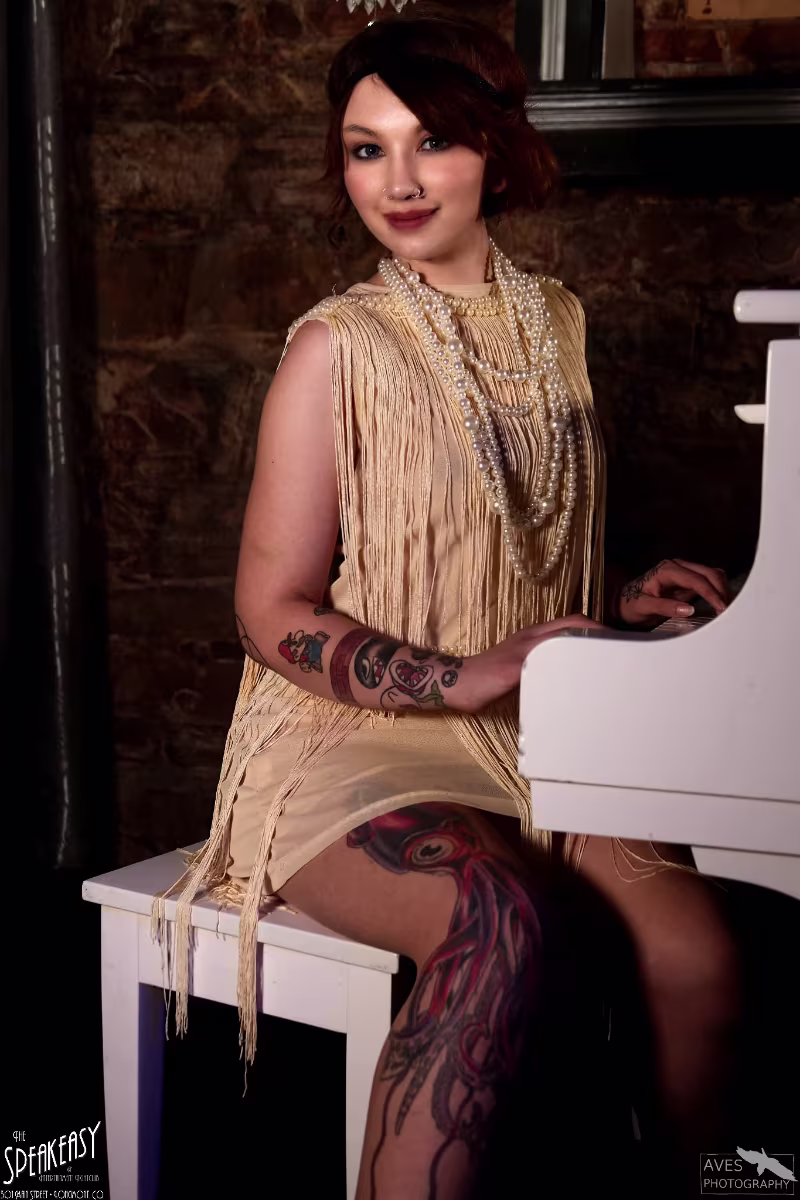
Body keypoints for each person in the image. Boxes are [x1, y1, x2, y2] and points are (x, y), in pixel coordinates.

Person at [152, 12, 742, 1197]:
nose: (399, 182)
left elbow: (508, 545)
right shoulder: (334, 347)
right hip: (351, 742)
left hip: (540, 734)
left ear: (496, 148)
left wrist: (611, 599)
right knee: (500, 923)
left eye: (432, 141)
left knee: (696, 960)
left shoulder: (555, 319)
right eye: (365, 150)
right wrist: (458, 676)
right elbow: (269, 609)